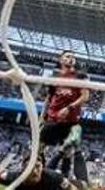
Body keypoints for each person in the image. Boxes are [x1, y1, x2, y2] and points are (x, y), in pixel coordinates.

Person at [41, 50, 90, 183]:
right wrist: (42, 116)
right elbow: (49, 98)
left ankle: (75, 181)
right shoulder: (55, 77)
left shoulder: (80, 76)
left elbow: (85, 96)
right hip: (53, 119)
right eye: (68, 56)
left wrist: (69, 108)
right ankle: (38, 175)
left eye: (73, 57)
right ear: (61, 60)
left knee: (71, 150)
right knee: (39, 146)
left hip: (71, 122)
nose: (71, 59)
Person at [0, 151, 77, 189]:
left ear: (42, 167)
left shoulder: (55, 178)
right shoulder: (14, 177)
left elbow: (72, 188)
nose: (35, 171)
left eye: (38, 166)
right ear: (23, 169)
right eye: (30, 167)